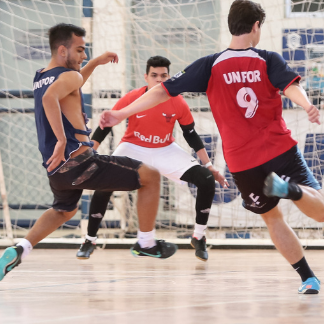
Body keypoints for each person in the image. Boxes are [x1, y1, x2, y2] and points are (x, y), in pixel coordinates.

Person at [100, 0, 324, 294]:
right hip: (279, 149)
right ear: (256, 26)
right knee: (321, 213)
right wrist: (308, 105)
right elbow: (290, 87)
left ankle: (308, 278)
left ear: (230, 25)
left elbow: (161, 91)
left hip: (242, 162)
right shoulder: (267, 59)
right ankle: (292, 190)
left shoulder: (210, 65)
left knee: (273, 218)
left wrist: (120, 114)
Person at [0, 23, 177, 282]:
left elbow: (69, 85)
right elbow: (53, 98)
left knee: (63, 210)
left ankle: (21, 248)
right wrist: (60, 139)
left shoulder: (41, 75)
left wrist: (96, 63)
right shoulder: (69, 77)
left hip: (56, 170)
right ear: (63, 50)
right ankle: (146, 244)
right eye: (80, 50)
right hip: (80, 162)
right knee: (151, 176)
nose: (84, 56)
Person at [79, 56, 229, 262]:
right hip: (133, 147)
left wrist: (209, 165)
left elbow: (191, 134)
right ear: (146, 77)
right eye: (154, 76)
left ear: (169, 76)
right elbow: (105, 126)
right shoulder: (133, 97)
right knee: (104, 184)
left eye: (164, 76)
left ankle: (199, 237)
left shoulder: (177, 101)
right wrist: (90, 153)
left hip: (165, 149)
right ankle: (89, 240)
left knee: (206, 179)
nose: (159, 80)